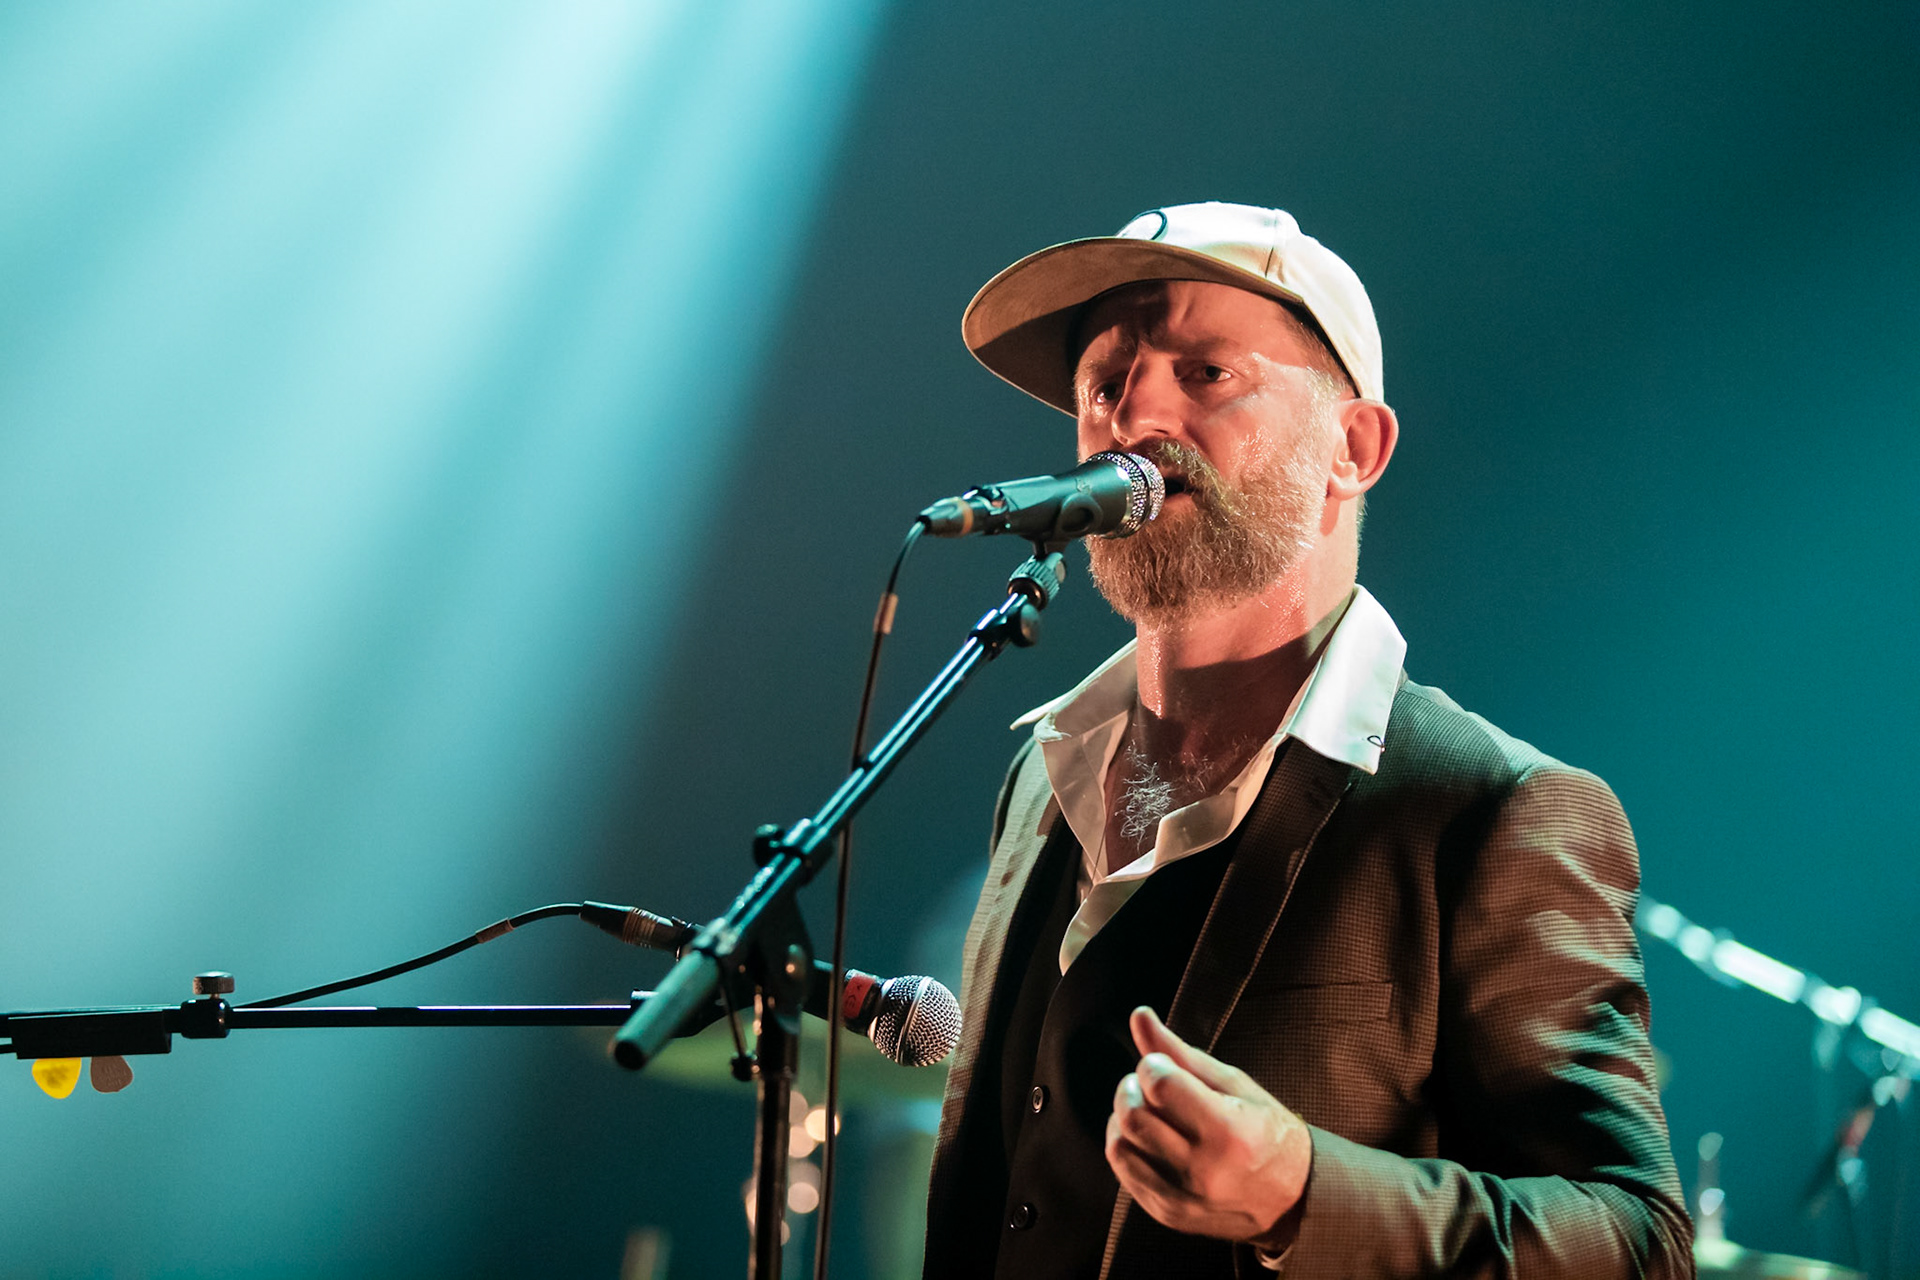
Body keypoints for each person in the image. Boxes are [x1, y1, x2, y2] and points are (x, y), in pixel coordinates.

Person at [921, 202, 1692, 1279]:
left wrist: (1301, 1192)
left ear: (1353, 446)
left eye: (1204, 372)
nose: (1131, 408)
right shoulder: (1040, 776)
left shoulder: (1490, 808)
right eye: (1104, 384)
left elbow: (1637, 1241)